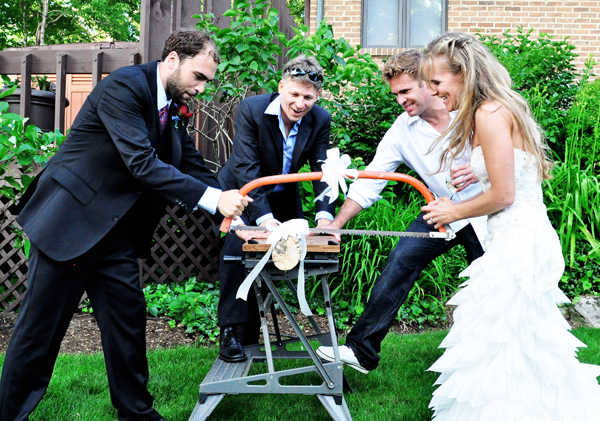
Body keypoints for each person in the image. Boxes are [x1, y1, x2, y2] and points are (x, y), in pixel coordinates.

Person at [0, 30, 250, 421]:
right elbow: (142, 163)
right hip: (70, 222)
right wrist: (215, 200)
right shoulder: (124, 88)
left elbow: (190, 165)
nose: (201, 88)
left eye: (207, 81)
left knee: (127, 324)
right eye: (198, 77)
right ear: (172, 60)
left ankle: (137, 414)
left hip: (113, 232)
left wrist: (237, 216)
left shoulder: (170, 106)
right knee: (39, 333)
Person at [420, 32, 600, 420]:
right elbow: (515, 175)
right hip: (522, 239)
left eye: (437, 82)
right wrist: (478, 174)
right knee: (517, 344)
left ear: (463, 73)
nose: (434, 93)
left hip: (518, 243)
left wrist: (454, 211)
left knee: (498, 343)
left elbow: (504, 196)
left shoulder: (488, 113)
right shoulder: (500, 109)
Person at [315, 49, 488, 374]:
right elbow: (372, 180)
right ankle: (361, 350)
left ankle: (485, 359)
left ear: (427, 82)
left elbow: (506, 157)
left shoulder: (469, 107)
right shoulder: (401, 130)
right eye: (396, 94)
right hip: (439, 208)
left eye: (405, 91)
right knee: (401, 258)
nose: (400, 100)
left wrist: (480, 172)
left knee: (488, 285)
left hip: (485, 210)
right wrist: (336, 224)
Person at [216, 55, 336, 363]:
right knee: (238, 248)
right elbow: (245, 167)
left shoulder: (320, 119)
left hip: (283, 195)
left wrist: (324, 214)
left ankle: (256, 329)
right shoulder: (252, 110)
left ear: (317, 96)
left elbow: (323, 169)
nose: (300, 103)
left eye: (308, 97)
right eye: (294, 94)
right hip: (241, 191)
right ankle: (230, 330)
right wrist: (264, 219)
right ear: (281, 86)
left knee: (282, 256)